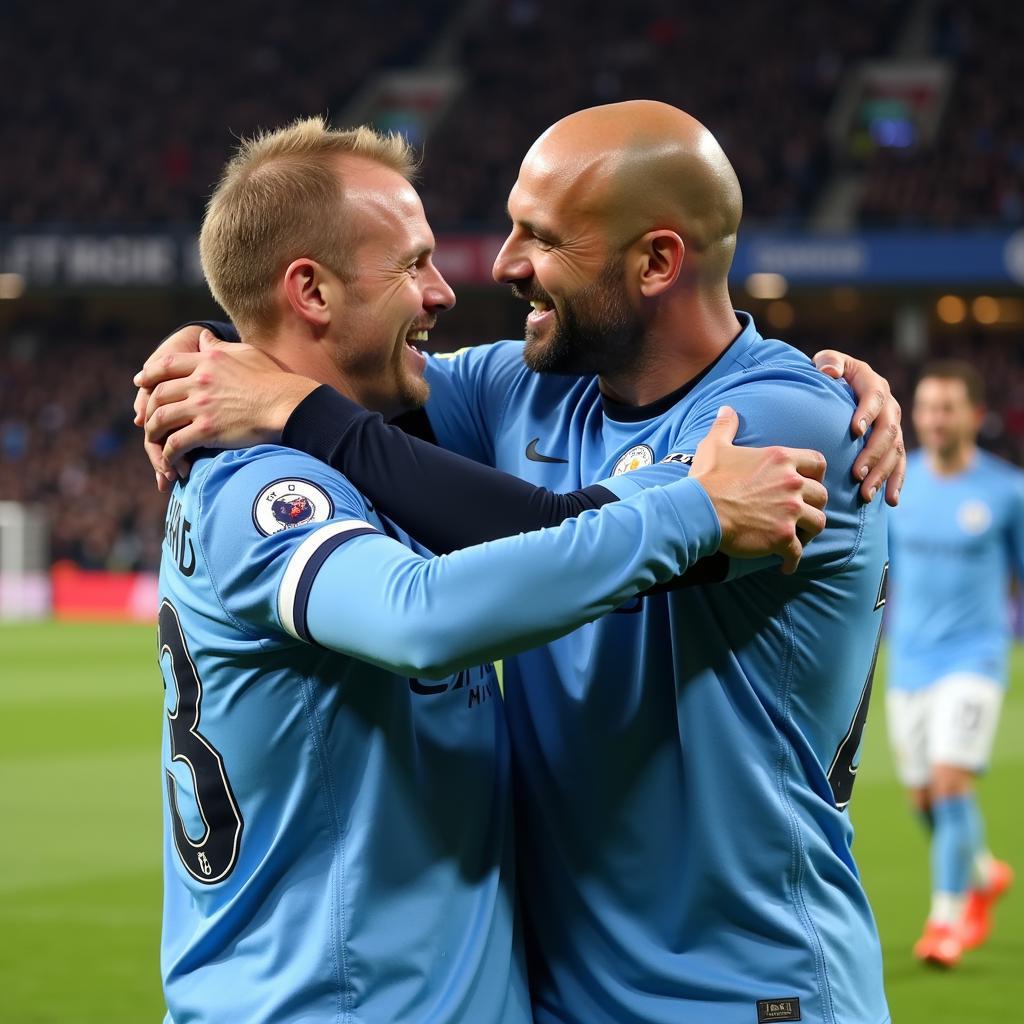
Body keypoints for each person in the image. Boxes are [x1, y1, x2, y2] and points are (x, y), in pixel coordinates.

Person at [139, 102, 904, 1024]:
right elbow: (352, 362)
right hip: (564, 992)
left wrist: (288, 399)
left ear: (657, 261)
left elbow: (554, 524)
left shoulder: (793, 423)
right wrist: (216, 353)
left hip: (740, 986)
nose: (497, 267)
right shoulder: (525, 389)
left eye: (539, 237)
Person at [886, 360, 1018, 968]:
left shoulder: (1007, 491)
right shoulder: (898, 481)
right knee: (923, 800)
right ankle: (983, 871)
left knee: (948, 783)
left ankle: (946, 920)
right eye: (927, 407)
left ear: (972, 414)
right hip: (908, 659)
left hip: (974, 658)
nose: (936, 419)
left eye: (947, 408)